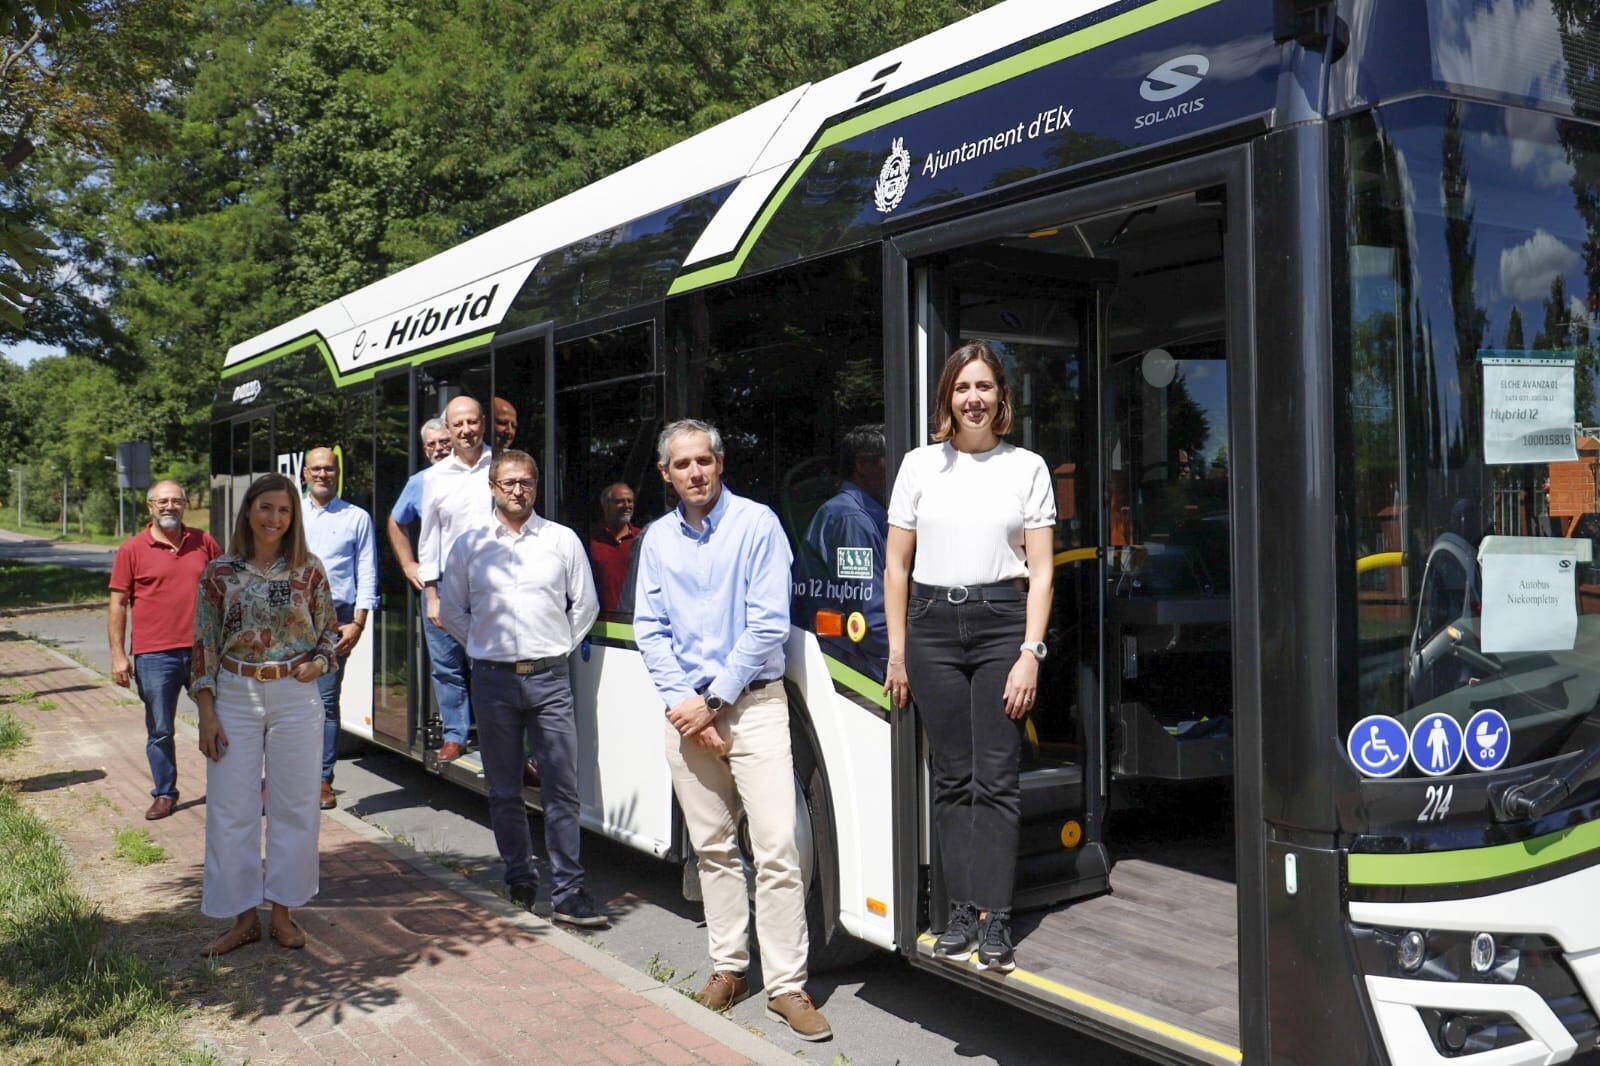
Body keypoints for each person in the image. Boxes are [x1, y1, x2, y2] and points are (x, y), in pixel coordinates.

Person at [633, 419, 831, 1042]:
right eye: (682, 464)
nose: (695, 473)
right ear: (666, 474)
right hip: (687, 714)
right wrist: (687, 707)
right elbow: (649, 629)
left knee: (779, 848)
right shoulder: (658, 539)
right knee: (714, 849)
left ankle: (788, 986)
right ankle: (728, 968)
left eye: (703, 461)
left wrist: (712, 703)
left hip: (752, 706)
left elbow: (769, 624)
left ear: (721, 464)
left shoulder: (758, 524)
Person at [884, 340, 1055, 974]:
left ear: (1001, 398)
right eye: (962, 388)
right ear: (947, 399)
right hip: (930, 626)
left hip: (1001, 623)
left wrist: (1030, 653)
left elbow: (1040, 574)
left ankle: (997, 921)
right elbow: (897, 566)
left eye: (984, 387)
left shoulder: (1027, 467)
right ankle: (960, 911)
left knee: (997, 780)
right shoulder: (919, 467)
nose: (973, 399)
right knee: (952, 779)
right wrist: (898, 652)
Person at [437, 449, 608, 927]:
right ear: (492, 487)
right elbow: (451, 611)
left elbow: (585, 605)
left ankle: (569, 889)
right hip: (492, 681)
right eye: (509, 482)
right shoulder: (470, 546)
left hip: (551, 678)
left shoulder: (561, 540)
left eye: (526, 482)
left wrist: (556, 647)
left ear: (536, 486)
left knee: (562, 787)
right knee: (504, 788)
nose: (518, 490)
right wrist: (483, 646)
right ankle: (520, 878)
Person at [190, 473, 340, 957]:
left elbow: (329, 637)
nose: (275, 518)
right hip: (234, 693)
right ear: (248, 511)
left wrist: (317, 663)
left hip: (295, 699)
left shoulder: (309, 571)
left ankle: (282, 913)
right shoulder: (219, 573)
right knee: (231, 810)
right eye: (266, 508)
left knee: (294, 807)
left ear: (293, 517)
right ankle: (241, 918)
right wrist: (206, 714)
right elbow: (203, 645)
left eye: (284, 510)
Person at [107, 480, 221, 820]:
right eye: (162, 502)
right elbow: (118, 603)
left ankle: (227, 788)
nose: (169, 506)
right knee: (160, 729)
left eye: (176, 501)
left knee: (219, 721)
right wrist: (118, 655)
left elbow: (228, 586)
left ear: (185, 504)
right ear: (150, 507)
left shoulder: (204, 542)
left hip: (204, 653)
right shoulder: (132, 550)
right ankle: (165, 793)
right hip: (154, 654)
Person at [417, 395, 494, 761]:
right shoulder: (434, 477)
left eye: (472, 422)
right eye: (458, 424)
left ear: (483, 422)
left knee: (489, 663)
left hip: (493, 583)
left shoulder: (502, 466)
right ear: (448, 430)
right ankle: (455, 734)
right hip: (447, 582)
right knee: (447, 664)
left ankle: (494, 731)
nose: (466, 430)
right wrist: (431, 593)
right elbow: (428, 536)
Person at [300, 446, 378, 810]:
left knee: (326, 702)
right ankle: (287, 778)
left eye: (328, 469)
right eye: (315, 469)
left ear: (336, 474)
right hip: (287, 618)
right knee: (282, 702)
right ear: (304, 473)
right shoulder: (287, 514)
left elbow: (367, 571)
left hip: (336, 617)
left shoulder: (356, 518)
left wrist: (359, 622)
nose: (322, 475)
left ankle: (321, 781)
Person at [798, 425, 888, 680]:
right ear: (864, 465)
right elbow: (867, 611)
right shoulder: (852, 519)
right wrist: (906, 658)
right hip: (853, 666)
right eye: (890, 461)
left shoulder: (854, 513)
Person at [588, 482, 639, 612]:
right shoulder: (590, 540)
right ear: (605, 505)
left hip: (634, 623)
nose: (627, 506)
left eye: (630, 501)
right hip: (600, 625)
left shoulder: (642, 539)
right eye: (620, 502)